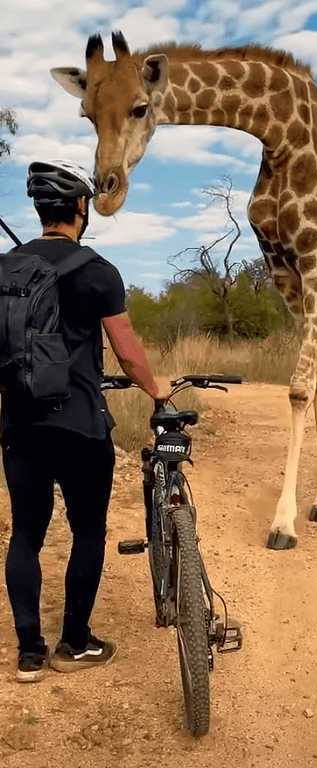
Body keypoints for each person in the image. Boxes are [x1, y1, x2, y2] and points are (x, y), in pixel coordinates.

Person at [1, 159, 172, 682]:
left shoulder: (5, 268)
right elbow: (127, 352)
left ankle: (30, 651)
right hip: (80, 425)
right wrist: (157, 388)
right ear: (79, 208)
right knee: (87, 532)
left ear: (38, 209)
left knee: (26, 534)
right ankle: (74, 642)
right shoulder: (97, 270)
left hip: (21, 427)